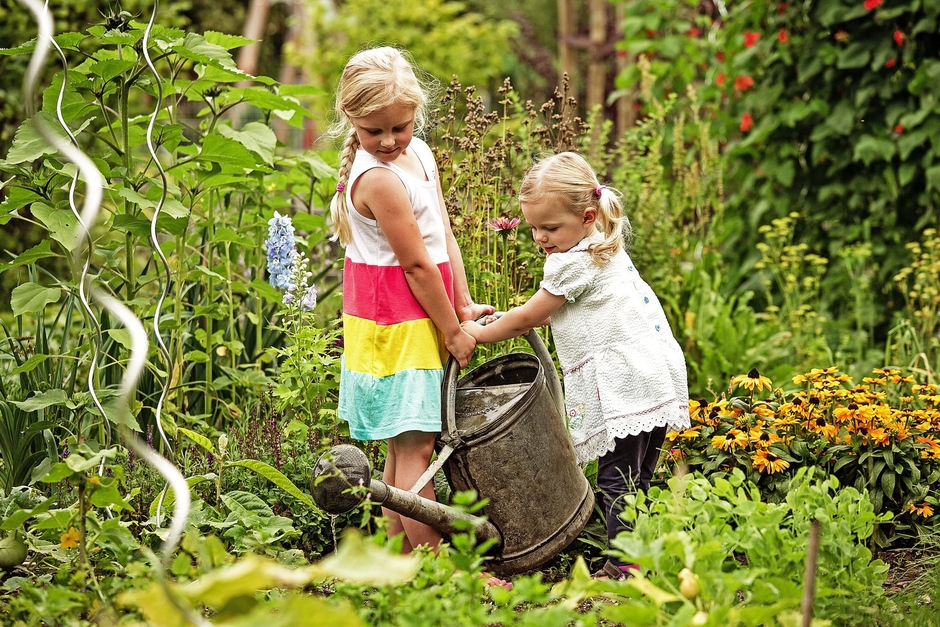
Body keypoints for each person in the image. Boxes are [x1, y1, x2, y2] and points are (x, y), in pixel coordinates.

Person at [461, 152, 690, 581]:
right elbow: (560, 309)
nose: (540, 238)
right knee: (635, 477)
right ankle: (637, 558)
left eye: (549, 228)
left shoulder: (573, 261)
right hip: (652, 374)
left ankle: (622, 567)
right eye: (533, 228)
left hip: (625, 385)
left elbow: (531, 316)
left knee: (617, 479)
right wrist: (508, 317)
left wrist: (476, 333)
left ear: (586, 216)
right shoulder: (602, 245)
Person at [328, 47, 497, 561]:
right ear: (349, 119)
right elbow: (416, 267)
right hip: (394, 323)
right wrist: (453, 330)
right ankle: (433, 569)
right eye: (372, 130)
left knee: (402, 450)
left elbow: (442, 236)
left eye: (398, 127)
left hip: (420, 313)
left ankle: (397, 560)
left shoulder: (418, 154)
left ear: (415, 115)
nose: (387, 140)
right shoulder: (378, 178)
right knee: (415, 452)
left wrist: (462, 303)